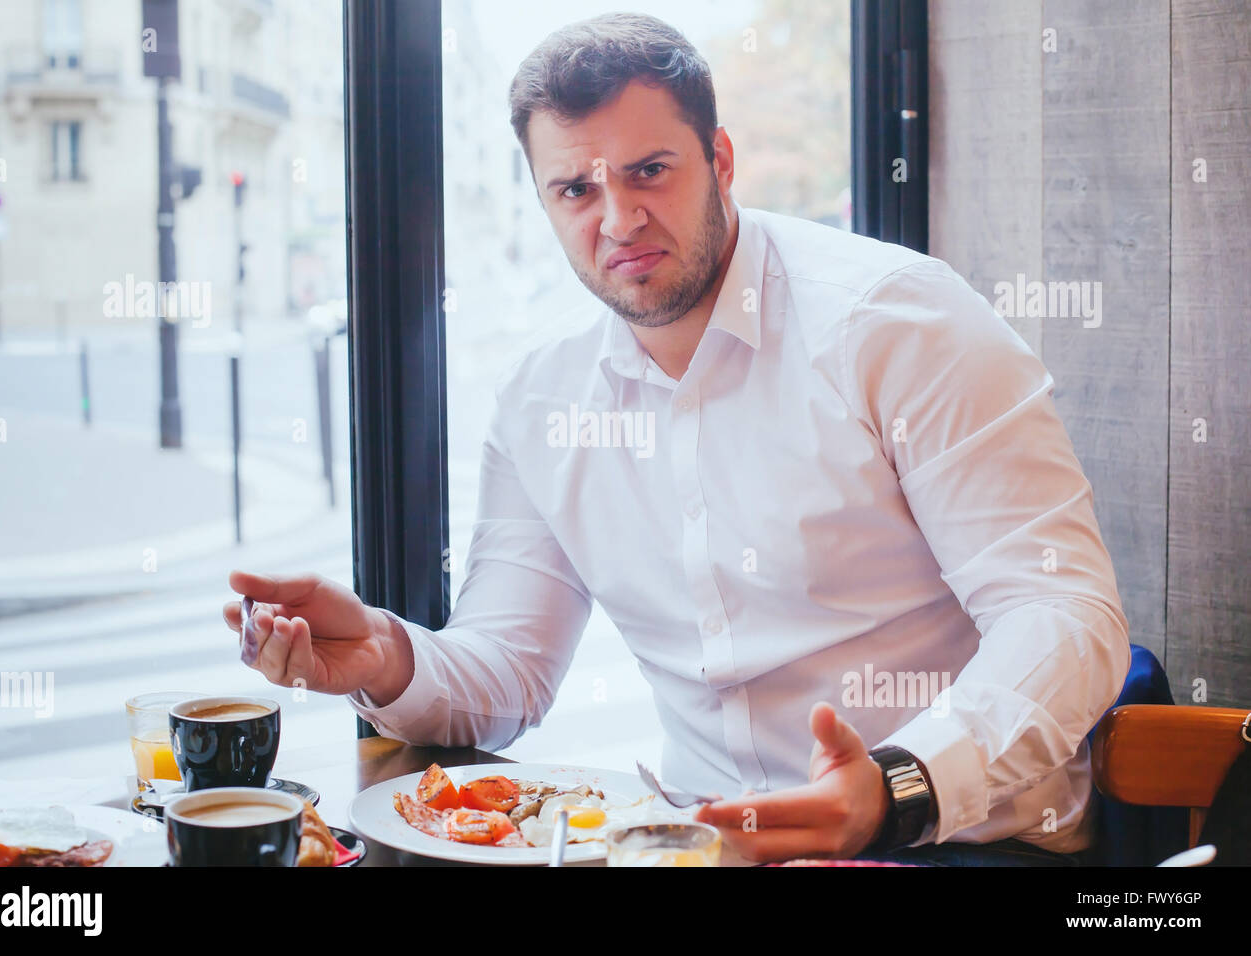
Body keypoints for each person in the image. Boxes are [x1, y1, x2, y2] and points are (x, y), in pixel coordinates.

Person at [222, 12, 1130, 865]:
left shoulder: (898, 323)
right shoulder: (545, 397)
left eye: (649, 170)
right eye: (576, 188)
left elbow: (1064, 615)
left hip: (953, 840)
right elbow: (507, 674)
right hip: (698, 845)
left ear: (721, 160)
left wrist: (900, 784)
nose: (616, 220)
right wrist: (382, 653)